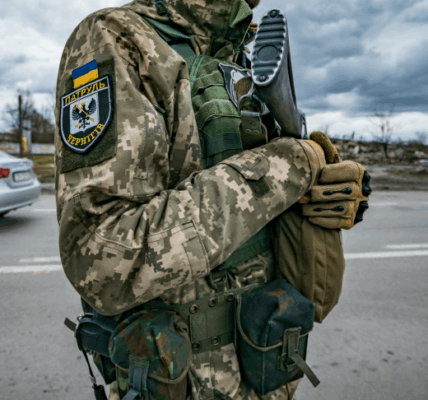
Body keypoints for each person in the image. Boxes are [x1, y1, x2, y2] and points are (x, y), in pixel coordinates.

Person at [55, 1, 370, 399]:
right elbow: (102, 259)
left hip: (267, 363)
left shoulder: (237, 52)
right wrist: (286, 168)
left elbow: (259, 201)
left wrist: (318, 193)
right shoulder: (119, 36)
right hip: (181, 379)